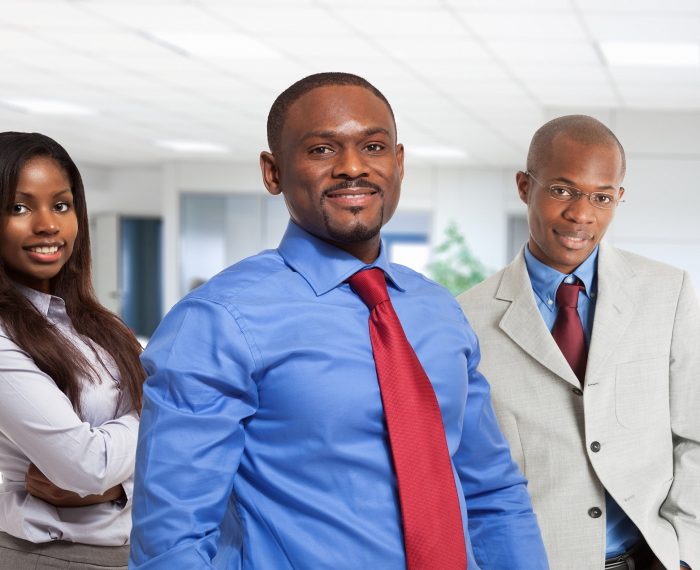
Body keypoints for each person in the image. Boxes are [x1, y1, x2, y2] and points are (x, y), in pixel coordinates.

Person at [129, 72, 548, 569]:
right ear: (273, 172)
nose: (353, 168)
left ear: (398, 162)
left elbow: (491, 489)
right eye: (322, 150)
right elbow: (171, 541)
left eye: (373, 146)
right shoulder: (216, 321)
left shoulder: (437, 310)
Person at [458, 115, 699, 570]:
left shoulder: (667, 292)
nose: (581, 214)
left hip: (651, 557)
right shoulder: (469, 318)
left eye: (601, 197)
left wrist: (686, 554)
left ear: (618, 199)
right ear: (524, 186)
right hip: (538, 560)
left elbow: (695, 434)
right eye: (562, 190)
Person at [0, 132, 145, 569]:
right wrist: (166, 409)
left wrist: (119, 487)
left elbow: (99, 474)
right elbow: (86, 467)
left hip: (129, 551)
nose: (47, 225)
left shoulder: (95, 325)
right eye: (19, 208)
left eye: (61, 205)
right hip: (52, 557)